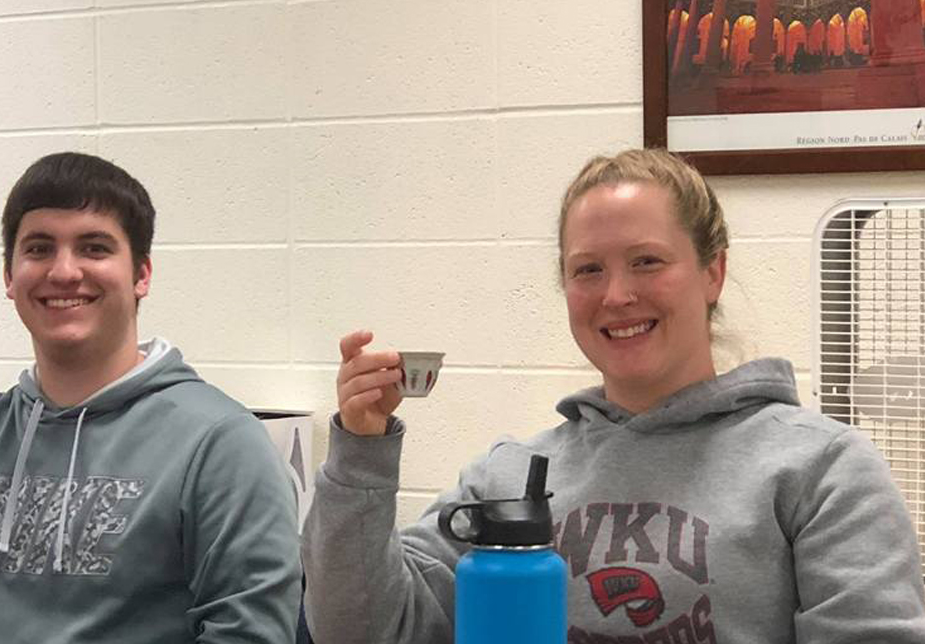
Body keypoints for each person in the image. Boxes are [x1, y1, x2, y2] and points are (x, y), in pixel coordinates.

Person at [302, 148, 925, 643]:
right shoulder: (508, 476)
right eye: (588, 269)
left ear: (712, 272)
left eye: (647, 261)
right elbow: (362, 630)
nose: (617, 295)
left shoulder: (822, 470)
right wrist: (360, 452)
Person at [0, 152, 301, 643]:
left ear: (141, 274)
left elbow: (251, 634)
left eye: (94, 248)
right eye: (39, 249)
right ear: (9, 277)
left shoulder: (219, 443)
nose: (64, 271)